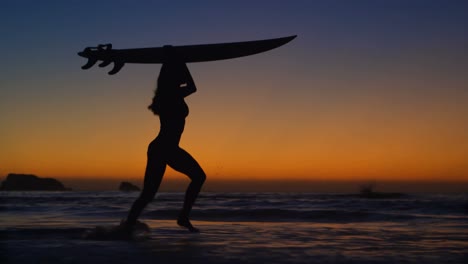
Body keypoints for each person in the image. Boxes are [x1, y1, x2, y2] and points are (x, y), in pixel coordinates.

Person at [123, 55, 206, 233]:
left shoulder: (168, 93)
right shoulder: (172, 94)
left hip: (163, 148)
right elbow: (193, 86)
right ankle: (183, 217)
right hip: (165, 148)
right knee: (198, 177)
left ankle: (127, 226)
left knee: (148, 194)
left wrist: (175, 61)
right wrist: (182, 61)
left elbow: (188, 85)